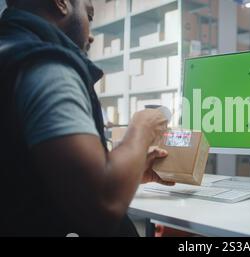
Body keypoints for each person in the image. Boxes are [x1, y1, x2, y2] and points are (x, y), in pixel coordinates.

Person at [0, 0, 173, 236]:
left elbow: (30, 175)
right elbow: (103, 204)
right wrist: (142, 128)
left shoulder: (10, 54)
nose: (91, 36)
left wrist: (128, 170)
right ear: (60, 3)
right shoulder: (48, 69)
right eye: (89, 17)